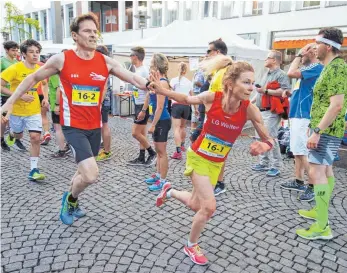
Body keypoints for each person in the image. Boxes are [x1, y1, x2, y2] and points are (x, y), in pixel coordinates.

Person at [0, 13, 151, 225]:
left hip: (94, 126)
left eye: (94, 31)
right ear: (75, 35)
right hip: (73, 126)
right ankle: (69, 199)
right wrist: (9, 102)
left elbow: (133, 77)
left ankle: (74, 201)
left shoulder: (104, 61)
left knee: (81, 170)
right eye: (87, 31)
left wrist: (149, 84)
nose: (93, 35)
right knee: (90, 175)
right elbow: (33, 78)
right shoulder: (62, 59)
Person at [151, 56, 274, 265]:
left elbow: (268, 137)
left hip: (216, 163)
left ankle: (169, 190)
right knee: (208, 207)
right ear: (230, 83)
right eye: (246, 82)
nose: (251, 87)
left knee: (195, 203)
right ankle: (191, 245)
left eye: (252, 83)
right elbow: (186, 99)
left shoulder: (249, 109)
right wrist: (162, 91)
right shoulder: (212, 98)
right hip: (198, 157)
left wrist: (266, 145)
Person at [296, 27, 347, 240]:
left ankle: (322, 226)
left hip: (325, 130)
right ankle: (320, 211)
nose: (314, 48)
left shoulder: (336, 68)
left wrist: (317, 131)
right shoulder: (330, 66)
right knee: (325, 171)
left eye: (317, 44)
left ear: (327, 46)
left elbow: (336, 105)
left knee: (316, 173)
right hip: (328, 129)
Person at [280, 43, 323, 202]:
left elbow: (290, 73)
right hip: (297, 113)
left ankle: (314, 186)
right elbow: (305, 89)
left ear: (310, 52)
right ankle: (298, 180)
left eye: (304, 53)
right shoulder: (309, 70)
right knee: (297, 150)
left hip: (304, 115)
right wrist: (291, 93)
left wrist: (299, 55)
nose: (300, 56)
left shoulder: (315, 67)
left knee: (303, 151)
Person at [1, 39, 49, 180]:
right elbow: (1, 86)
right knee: (18, 135)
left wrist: (45, 97)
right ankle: (12, 134)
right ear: (23, 54)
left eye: (37, 52)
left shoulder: (40, 69)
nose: (35, 55)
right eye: (31, 52)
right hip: (16, 111)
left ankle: (34, 169)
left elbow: (45, 84)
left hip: (34, 111)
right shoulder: (15, 69)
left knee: (35, 138)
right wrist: (20, 96)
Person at [252, 50, 291, 177]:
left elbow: (285, 91)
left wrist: (266, 91)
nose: (265, 60)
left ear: (274, 60)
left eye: (267, 58)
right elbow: (260, 91)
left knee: (270, 138)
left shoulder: (281, 75)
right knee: (260, 137)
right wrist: (250, 102)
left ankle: (276, 165)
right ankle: (264, 163)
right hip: (260, 110)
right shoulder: (266, 73)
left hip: (272, 112)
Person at [144, 53, 171, 191]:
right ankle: (158, 175)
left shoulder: (163, 82)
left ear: (157, 65)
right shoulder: (156, 79)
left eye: (152, 63)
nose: (150, 65)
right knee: (158, 150)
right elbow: (150, 96)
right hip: (158, 119)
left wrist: (153, 125)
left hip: (162, 120)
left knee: (162, 152)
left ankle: (163, 180)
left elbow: (160, 106)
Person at [205, 38, 229, 196]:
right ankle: (213, 179)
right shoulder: (218, 72)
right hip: (212, 117)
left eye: (209, 51)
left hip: (219, 118)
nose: (206, 55)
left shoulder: (224, 72)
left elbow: (224, 98)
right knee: (211, 150)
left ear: (218, 53)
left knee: (219, 150)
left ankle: (219, 182)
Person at [127, 46, 156, 166]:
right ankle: (141, 157)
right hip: (138, 103)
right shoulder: (138, 70)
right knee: (142, 133)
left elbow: (149, 90)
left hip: (142, 105)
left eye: (131, 55)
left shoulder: (143, 71)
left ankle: (152, 153)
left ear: (135, 57)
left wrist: (144, 110)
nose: (129, 57)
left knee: (135, 133)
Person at [170, 62, 195, 160]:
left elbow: (170, 93)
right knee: (182, 127)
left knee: (176, 129)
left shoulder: (173, 80)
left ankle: (178, 152)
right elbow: (192, 96)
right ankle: (183, 145)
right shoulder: (189, 82)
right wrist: (195, 109)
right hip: (186, 106)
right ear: (186, 71)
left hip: (176, 105)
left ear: (178, 69)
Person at [48, 51, 70, 158]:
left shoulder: (56, 73)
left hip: (59, 104)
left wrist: (57, 104)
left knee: (58, 128)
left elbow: (58, 89)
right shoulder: (69, 71)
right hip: (68, 105)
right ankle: (68, 146)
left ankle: (62, 150)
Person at [95, 45, 113, 161]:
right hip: (101, 100)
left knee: (103, 125)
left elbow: (104, 87)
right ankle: (104, 150)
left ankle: (106, 151)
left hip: (101, 101)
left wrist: (99, 103)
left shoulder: (102, 66)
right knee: (102, 125)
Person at [1, 40, 19, 151]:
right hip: (5, 94)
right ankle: (1, 138)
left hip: (16, 94)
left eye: (17, 50)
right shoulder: (2, 62)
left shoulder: (17, 62)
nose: (15, 52)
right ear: (7, 50)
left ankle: (14, 137)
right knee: (4, 119)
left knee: (17, 118)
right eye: (13, 50)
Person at [190, 75, 211, 142]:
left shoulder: (206, 85)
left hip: (203, 107)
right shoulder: (206, 85)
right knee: (203, 123)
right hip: (203, 108)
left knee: (204, 123)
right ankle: (194, 136)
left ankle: (197, 136)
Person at [191, 68, 205, 133]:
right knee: (196, 112)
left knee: (197, 112)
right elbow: (196, 82)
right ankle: (193, 131)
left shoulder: (199, 71)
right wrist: (204, 86)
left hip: (199, 93)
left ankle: (195, 131)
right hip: (197, 93)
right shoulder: (200, 71)